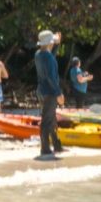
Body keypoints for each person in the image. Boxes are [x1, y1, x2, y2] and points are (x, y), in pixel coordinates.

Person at [34, 30, 64, 160]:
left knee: (51, 119)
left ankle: (56, 145)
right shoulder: (48, 57)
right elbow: (51, 77)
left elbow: (51, 55)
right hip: (50, 92)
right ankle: (45, 148)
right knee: (47, 121)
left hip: (42, 90)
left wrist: (57, 43)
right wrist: (59, 93)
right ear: (49, 43)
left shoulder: (39, 54)